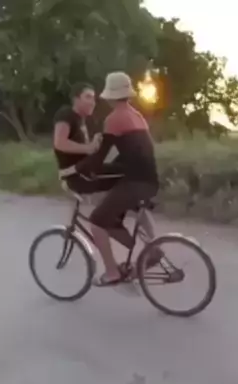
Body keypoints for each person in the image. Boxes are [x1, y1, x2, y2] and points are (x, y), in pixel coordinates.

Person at [77, 71, 162, 286]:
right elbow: (131, 156)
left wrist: (77, 170)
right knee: (127, 209)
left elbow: (99, 158)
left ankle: (112, 272)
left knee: (96, 221)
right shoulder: (137, 116)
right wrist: (101, 171)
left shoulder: (113, 119)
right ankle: (153, 249)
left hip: (135, 182)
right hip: (150, 180)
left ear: (110, 96)